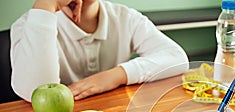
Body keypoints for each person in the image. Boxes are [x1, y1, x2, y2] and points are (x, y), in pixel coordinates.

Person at [10, 0, 188, 101]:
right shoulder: (31, 24)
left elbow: (177, 57)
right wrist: (47, 4)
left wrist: (117, 75)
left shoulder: (126, 18)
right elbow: (36, 91)